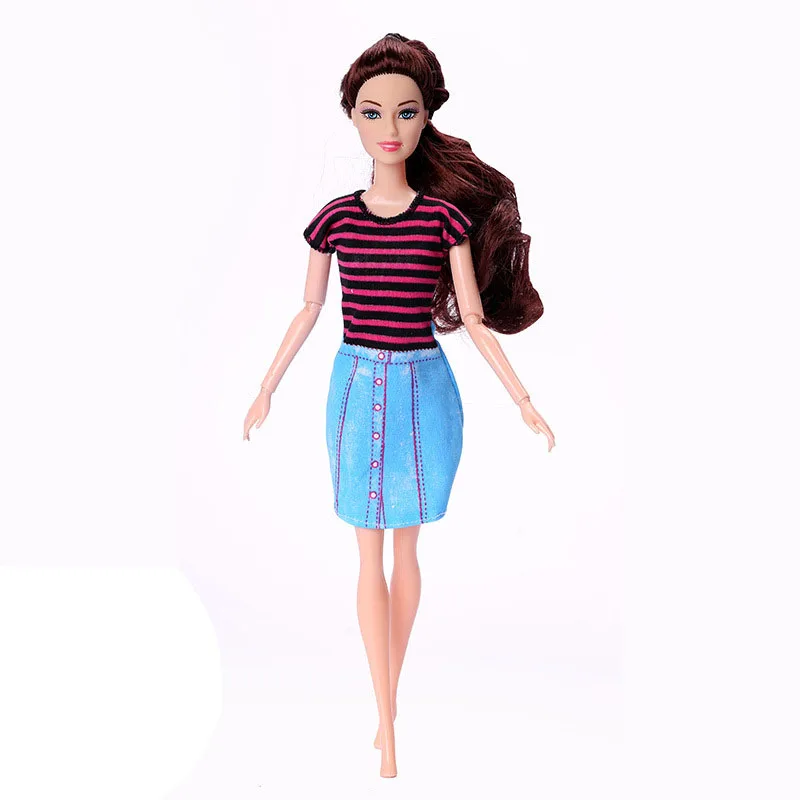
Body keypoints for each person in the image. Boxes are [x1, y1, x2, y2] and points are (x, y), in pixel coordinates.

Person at [243, 33, 555, 778]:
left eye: (406, 111)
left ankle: (388, 712)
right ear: (352, 117)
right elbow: (309, 308)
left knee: (407, 553)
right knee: (367, 557)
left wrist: (523, 399)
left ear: (426, 118)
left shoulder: (443, 220)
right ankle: (386, 718)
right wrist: (266, 385)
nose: (389, 127)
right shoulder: (334, 220)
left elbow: (472, 319)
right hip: (355, 393)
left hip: (424, 391)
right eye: (372, 112)